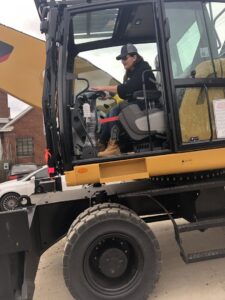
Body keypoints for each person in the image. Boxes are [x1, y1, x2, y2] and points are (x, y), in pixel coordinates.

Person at [92, 44, 157, 157]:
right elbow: (125, 92)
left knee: (115, 110)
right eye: (121, 59)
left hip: (148, 102)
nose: (122, 61)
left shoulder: (143, 68)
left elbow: (126, 88)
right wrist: (108, 95)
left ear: (134, 57)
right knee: (109, 114)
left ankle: (114, 145)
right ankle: (102, 144)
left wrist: (103, 87)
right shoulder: (130, 73)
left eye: (125, 58)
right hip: (137, 102)